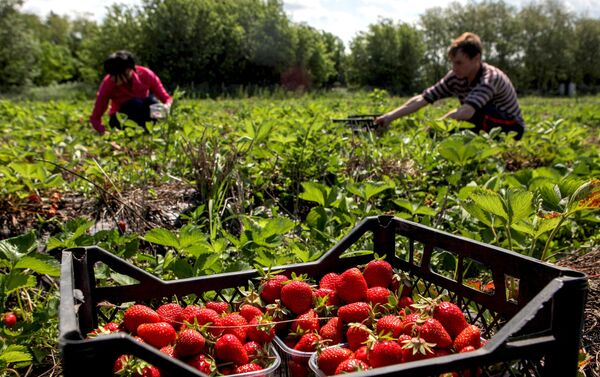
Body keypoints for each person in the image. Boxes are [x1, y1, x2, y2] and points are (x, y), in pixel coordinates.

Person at [375, 32, 525, 140]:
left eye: (459, 62)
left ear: (476, 59)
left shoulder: (490, 77)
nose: (454, 68)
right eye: (452, 62)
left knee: (466, 114)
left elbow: (467, 112)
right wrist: (390, 116)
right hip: (482, 121)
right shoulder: (455, 76)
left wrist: (435, 125)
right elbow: (423, 98)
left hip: (511, 126)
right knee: (450, 125)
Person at [89, 50, 172, 135]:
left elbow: (166, 98)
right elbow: (96, 117)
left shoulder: (146, 74)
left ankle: (153, 129)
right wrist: (102, 130)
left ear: (129, 70)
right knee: (135, 103)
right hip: (121, 119)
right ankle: (141, 131)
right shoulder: (108, 83)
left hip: (143, 114)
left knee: (152, 102)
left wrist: (167, 107)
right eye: (112, 75)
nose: (114, 79)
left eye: (117, 75)